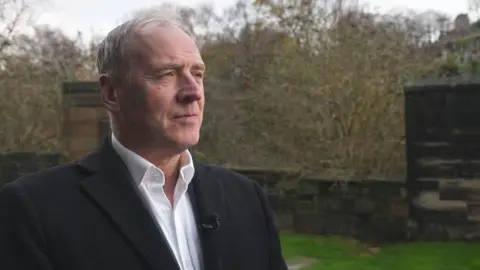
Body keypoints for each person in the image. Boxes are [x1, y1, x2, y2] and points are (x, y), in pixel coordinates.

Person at [0, 7, 288, 270]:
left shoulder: (245, 197)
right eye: (166, 74)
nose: (193, 92)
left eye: (197, 74)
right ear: (112, 93)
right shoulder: (33, 209)